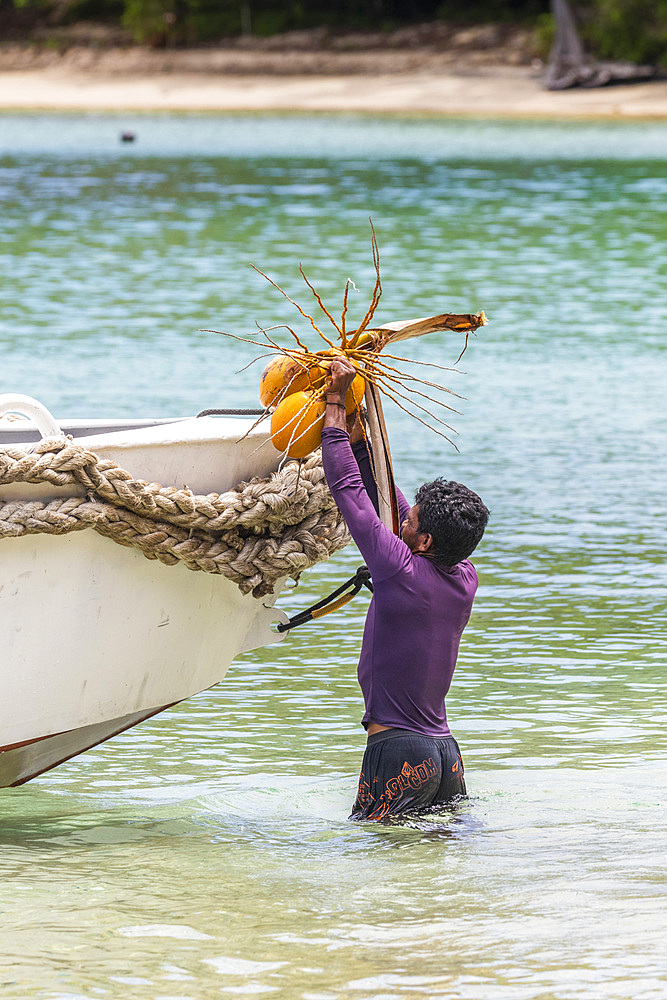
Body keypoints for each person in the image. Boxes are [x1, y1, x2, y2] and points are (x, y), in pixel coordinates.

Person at [321, 357, 489, 822]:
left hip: (398, 752)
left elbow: (349, 493)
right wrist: (363, 440)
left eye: (411, 520)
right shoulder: (465, 576)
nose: (403, 518)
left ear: (426, 541)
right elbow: (387, 500)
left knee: (379, 868)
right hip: (444, 754)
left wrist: (334, 407)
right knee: (436, 865)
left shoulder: (399, 571)